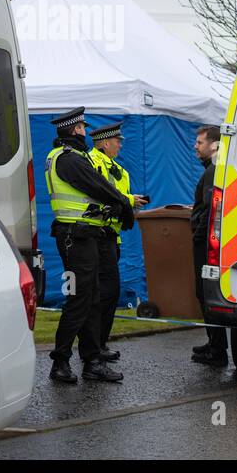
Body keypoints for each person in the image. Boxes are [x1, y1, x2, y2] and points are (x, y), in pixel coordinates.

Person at [45, 107, 135, 384]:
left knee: (91, 298)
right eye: (83, 128)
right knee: (81, 299)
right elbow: (98, 186)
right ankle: (61, 361)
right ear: (76, 130)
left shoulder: (67, 156)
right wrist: (123, 204)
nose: (86, 132)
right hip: (76, 237)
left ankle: (91, 360)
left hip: (84, 236)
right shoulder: (68, 159)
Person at [88, 122, 148, 360]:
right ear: (105, 143)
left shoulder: (120, 170)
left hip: (114, 237)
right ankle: (95, 346)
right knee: (105, 292)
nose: (121, 144)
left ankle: (100, 343)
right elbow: (100, 194)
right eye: (117, 141)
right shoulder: (91, 163)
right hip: (97, 235)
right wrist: (128, 200)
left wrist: (130, 203)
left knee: (110, 293)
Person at [190, 123, 228, 366]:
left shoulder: (213, 171)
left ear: (214, 145)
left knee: (205, 293)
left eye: (200, 142)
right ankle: (214, 343)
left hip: (206, 244)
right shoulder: (214, 169)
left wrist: (198, 236)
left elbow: (209, 210)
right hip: (208, 241)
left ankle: (217, 350)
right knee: (204, 293)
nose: (196, 146)